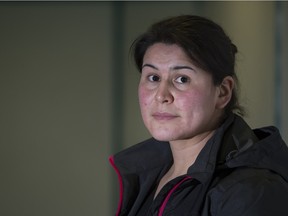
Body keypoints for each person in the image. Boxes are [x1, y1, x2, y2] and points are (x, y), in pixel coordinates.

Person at [109, 15, 288, 216]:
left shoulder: (251, 191)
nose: (161, 95)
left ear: (223, 92)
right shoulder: (152, 175)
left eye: (182, 79)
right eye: (153, 77)